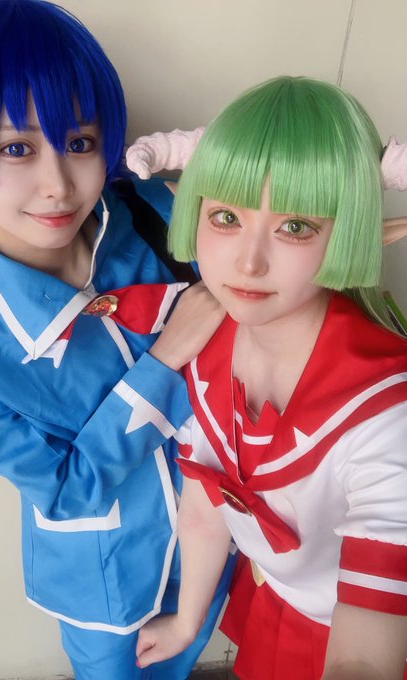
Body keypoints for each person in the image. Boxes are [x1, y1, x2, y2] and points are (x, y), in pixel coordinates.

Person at [0, 1, 234, 678]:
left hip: (231, 539)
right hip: (111, 584)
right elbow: (64, 490)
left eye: (80, 143)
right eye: (15, 148)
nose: (59, 185)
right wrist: (164, 361)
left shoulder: (151, 210)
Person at [135, 76, 407, 679]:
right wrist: (187, 621)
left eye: (295, 227)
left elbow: (365, 654)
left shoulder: (386, 412)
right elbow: (209, 499)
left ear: (349, 230)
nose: (248, 261)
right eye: (226, 216)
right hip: (274, 596)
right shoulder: (210, 339)